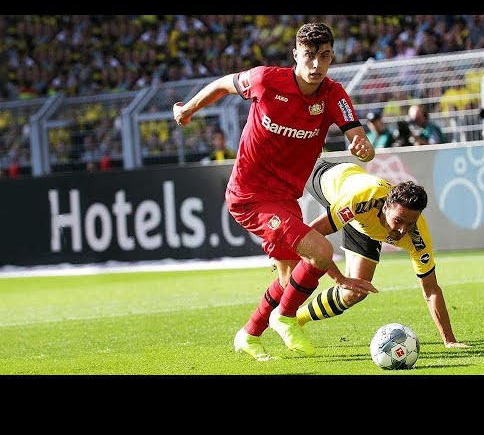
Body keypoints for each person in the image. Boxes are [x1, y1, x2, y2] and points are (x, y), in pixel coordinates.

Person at [173, 22, 377, 361]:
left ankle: (249, 334)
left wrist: (364, 147)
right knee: (321, 252)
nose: (316, 65)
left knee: (288, 278)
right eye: (309, 56)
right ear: (295, 54)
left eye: (324, 57)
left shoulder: (333, 94)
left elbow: (358, 136)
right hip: (250, 195)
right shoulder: (266, 80)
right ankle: (284, 318)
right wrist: (188, 109)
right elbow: (224, 84)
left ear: (331, 58)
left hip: (285, 198)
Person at [297, 158, 469, 349]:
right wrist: (339, 278)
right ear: (386, 207)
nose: (403, 230)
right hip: (330, 181)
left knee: (355, 292)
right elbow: (307, 236)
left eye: (410, 222)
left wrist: (450, 340)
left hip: (364, 224)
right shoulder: (361, 199)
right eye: (399, 220)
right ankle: (278, 316)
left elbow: (431, 290)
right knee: (294, 256)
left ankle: (297, 320)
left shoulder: (418, 236)